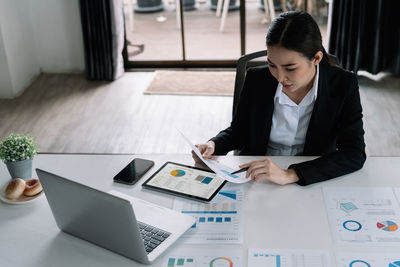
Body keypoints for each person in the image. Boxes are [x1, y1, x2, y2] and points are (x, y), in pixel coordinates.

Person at [192, 11, 366, 186]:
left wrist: (290, 174)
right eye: (272, 65)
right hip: (256, 175)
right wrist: (214, 144)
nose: (279, 77)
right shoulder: (256, 79)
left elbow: (354, 153)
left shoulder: (344, 84)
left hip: (312, 176)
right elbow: (239, 130)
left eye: (290, 68)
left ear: (316, 58)